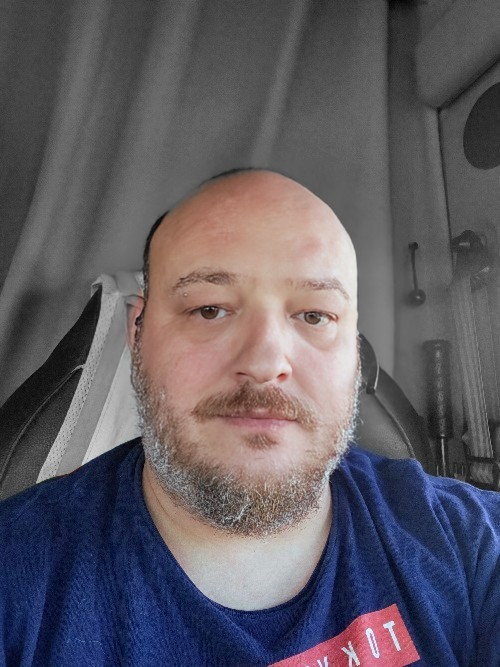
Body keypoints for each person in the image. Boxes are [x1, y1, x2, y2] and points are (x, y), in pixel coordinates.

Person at [0, 169, 498, 666]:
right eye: (210, 310)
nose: (265, 362)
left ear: (355, 352)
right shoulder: (15, 575)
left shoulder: (471, 544)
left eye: (315, 315)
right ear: (138, 334)